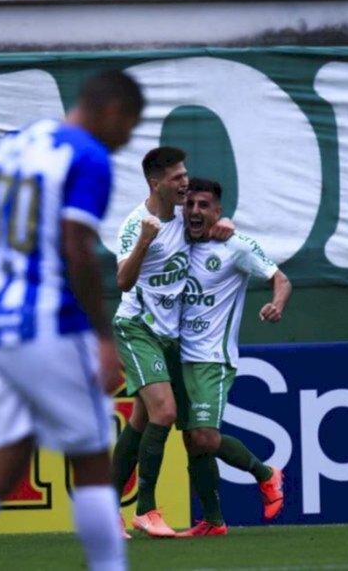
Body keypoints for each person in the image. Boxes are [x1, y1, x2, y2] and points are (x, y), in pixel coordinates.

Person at [0, 69, 144, 571]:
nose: (127, 139)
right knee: (92, 460)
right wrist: (101, 335)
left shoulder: (16, 145)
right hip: (50, 325)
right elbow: (76, 246)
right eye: (131, 126)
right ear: (114, 112)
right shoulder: (88, 156)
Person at [110, 147, 233, 538]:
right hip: (136, 328)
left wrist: (223, 224)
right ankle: (145, 509)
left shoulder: (183, 216)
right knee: (164, 412)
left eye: (185, 174)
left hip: (170, 336)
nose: (185, 183)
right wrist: (145, 242)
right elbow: (123, 283)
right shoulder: (136, 225)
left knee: (145, 421)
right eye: (178, 178)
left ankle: (105, 512)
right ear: (156, 183)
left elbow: (209, 224)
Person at [174, 177, 291, 537]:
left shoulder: (236, 247)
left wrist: (276, 304)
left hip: (212, 359)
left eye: (204, 205)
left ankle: (265, 473)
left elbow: (281, 279)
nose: (195, 211)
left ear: (218, 211)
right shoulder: (173, 239)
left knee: (206, 437)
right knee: (192, 441)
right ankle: (213, 521)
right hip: (176, 358)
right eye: (190, 204)